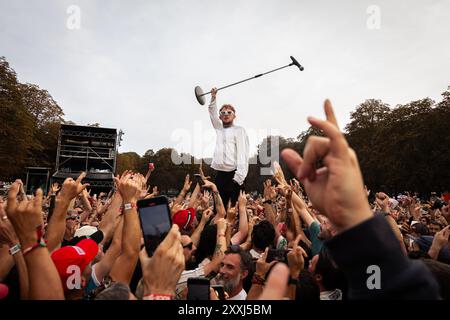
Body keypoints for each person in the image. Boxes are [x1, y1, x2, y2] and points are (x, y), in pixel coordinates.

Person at [207, 87, 249, 207]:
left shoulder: (239, 130)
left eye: (229, 112)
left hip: (235, 174)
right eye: (223, 113)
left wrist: (238, 178)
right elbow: (212, 113)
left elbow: (243, 155)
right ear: (220, 117)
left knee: (235, 210)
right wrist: (213, 97)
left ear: (234, 116)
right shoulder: (219, 129)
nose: (226, 114)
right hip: (221, 175)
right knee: (219, 208)